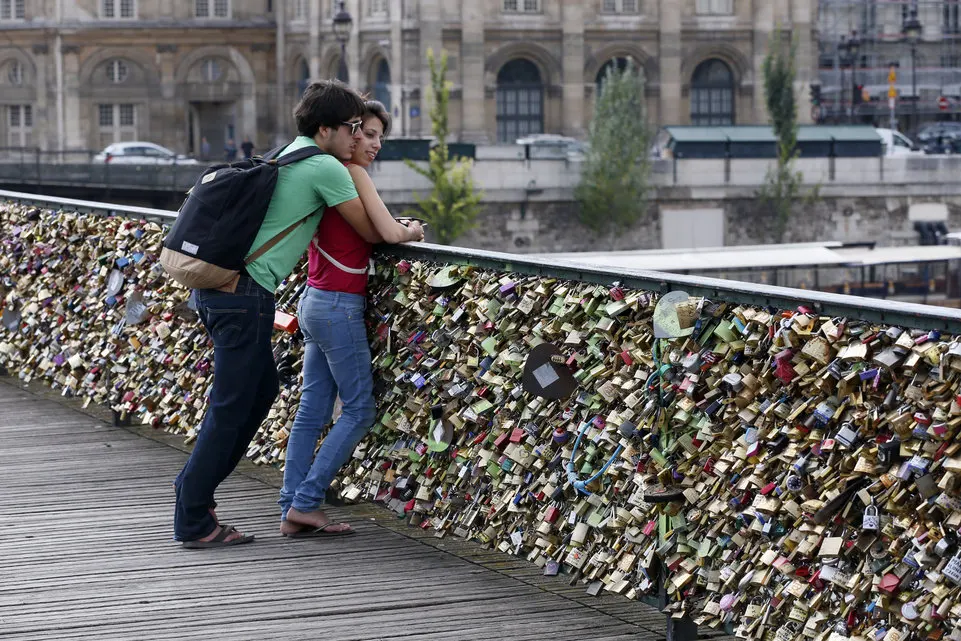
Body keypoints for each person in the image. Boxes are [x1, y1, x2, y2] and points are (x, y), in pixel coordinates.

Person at [173, 81, 421, 549]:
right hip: (244, 295)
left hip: (228, 290)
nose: (357, 137)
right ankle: (192, 512)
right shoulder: (325, 166)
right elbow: (376, 231)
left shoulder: (289, 153)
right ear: (325, 129)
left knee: (261, 392)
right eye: (352, 128)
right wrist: (409, 229)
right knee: (230, 407)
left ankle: (201, 492)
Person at [279, 100, 424, 538]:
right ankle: (304, 502)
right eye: (367, 132)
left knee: (312, 409)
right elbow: (386, 232)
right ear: (349, 131)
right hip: (338, 305)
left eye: (379, 135)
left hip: (314, 300)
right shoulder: (350, 173)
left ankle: (291, 504)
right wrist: (413, 230)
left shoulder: (322, 170)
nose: (373, 143)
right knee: (359, 409)